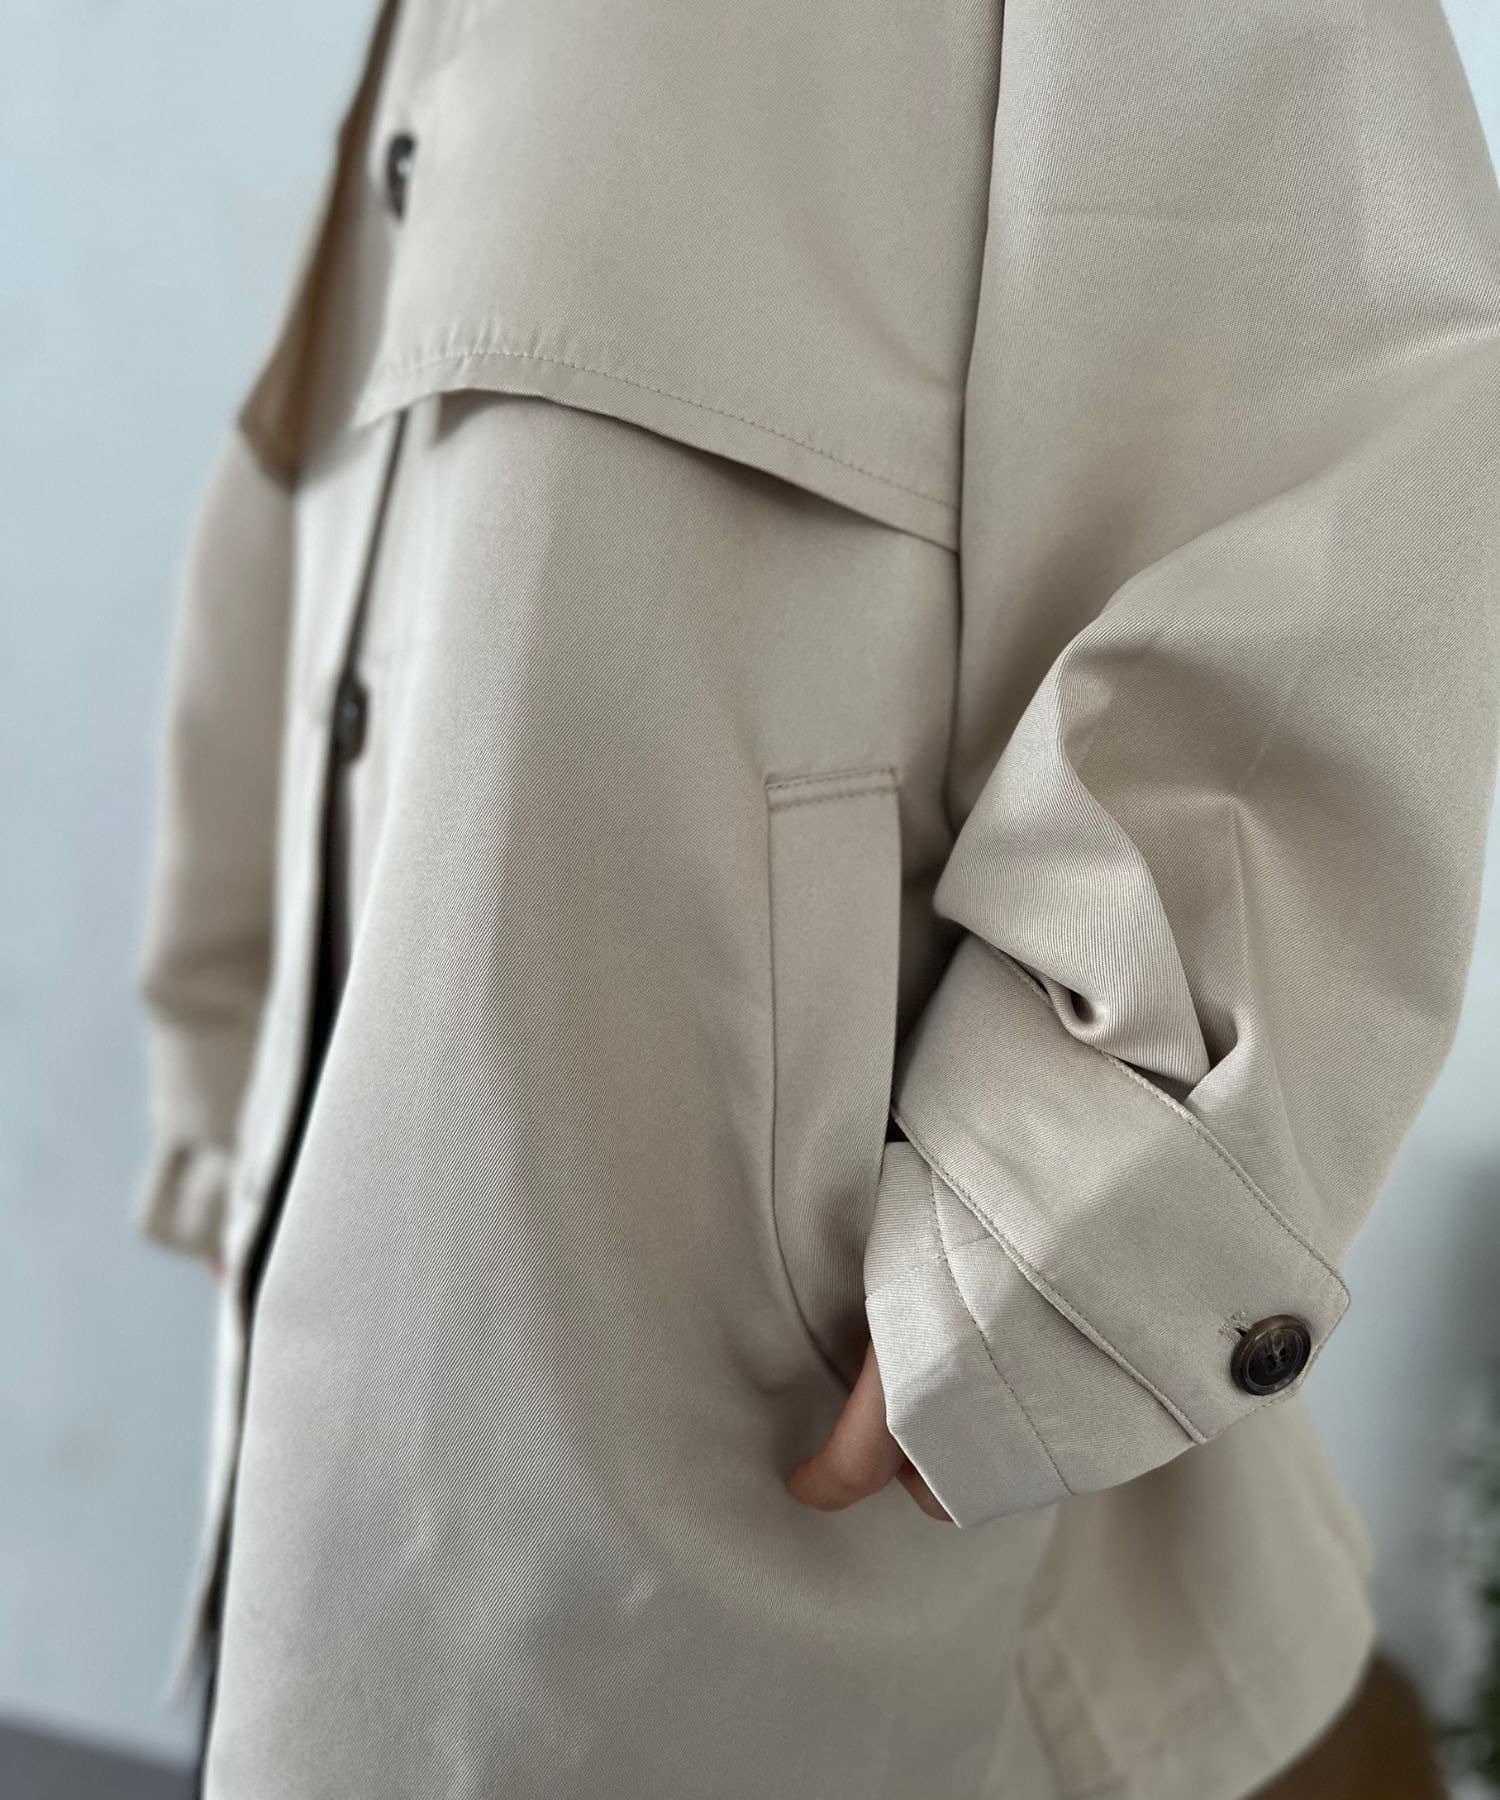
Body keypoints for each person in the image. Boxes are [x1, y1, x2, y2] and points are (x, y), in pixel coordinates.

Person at [133, 1, 1500, 1795]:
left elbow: (1330, 450)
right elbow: (367, 550)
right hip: (412, 1433)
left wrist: (1060, 1232)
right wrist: (230, 1078)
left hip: (810, 1516)